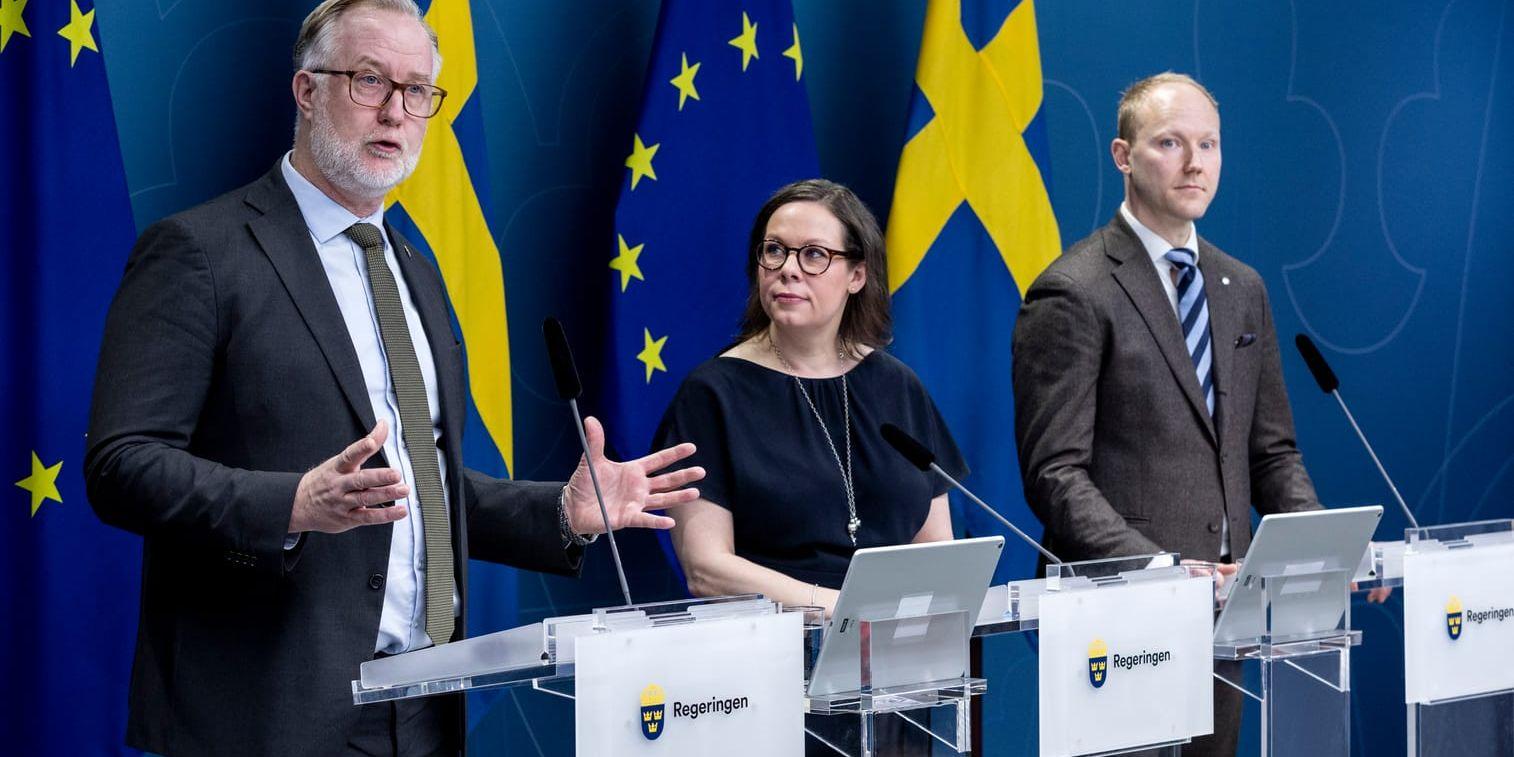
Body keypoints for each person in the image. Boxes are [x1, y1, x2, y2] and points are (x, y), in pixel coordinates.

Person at [83, 1, 701, 754]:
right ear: (306, 91)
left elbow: (415, 488)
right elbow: (121, 465)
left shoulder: (414, 268)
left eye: (417, 92)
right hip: (265, 710)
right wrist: (292, 504)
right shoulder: (200, 252)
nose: (396, 111)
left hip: (422, 703)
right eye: (370, 80)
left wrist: (562, 513)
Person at [1012, 71, 1345, 756]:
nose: (1195, 162)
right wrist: (1159, 566)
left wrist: (1321, 548)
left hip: (1225, 608)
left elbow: (1272, 452)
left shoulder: (1240, 286)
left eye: (1209, 144)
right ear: (1123, 156)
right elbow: (1055, 473)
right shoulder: (1073, 291)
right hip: (1118, 613)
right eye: (1170, 142)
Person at [652, 179, 964, 617]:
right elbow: (706, 568)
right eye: (774, 250)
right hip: (771, 653)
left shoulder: (897, 386)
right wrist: (836, 609)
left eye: (814, 254)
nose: (789, 269)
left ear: (857, 275)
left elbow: (936, 552)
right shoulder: (713, 395)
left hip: (897, 655)